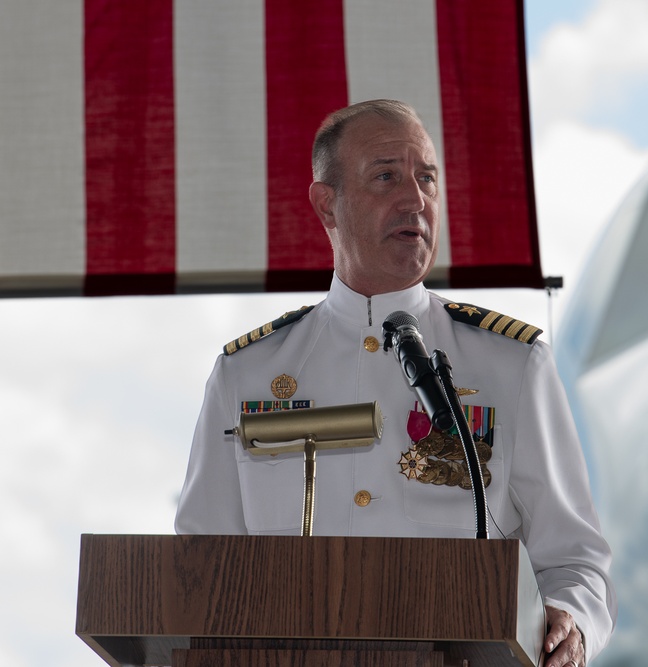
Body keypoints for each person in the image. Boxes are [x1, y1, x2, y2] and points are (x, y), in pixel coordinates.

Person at [175, 99, 615, 667]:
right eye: (386, 176)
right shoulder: (246, 375)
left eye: (427, 178)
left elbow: (575, 560)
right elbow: (198, 573)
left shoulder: (512, 365)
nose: (416, 199)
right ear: (326, 204)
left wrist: (569, 620)